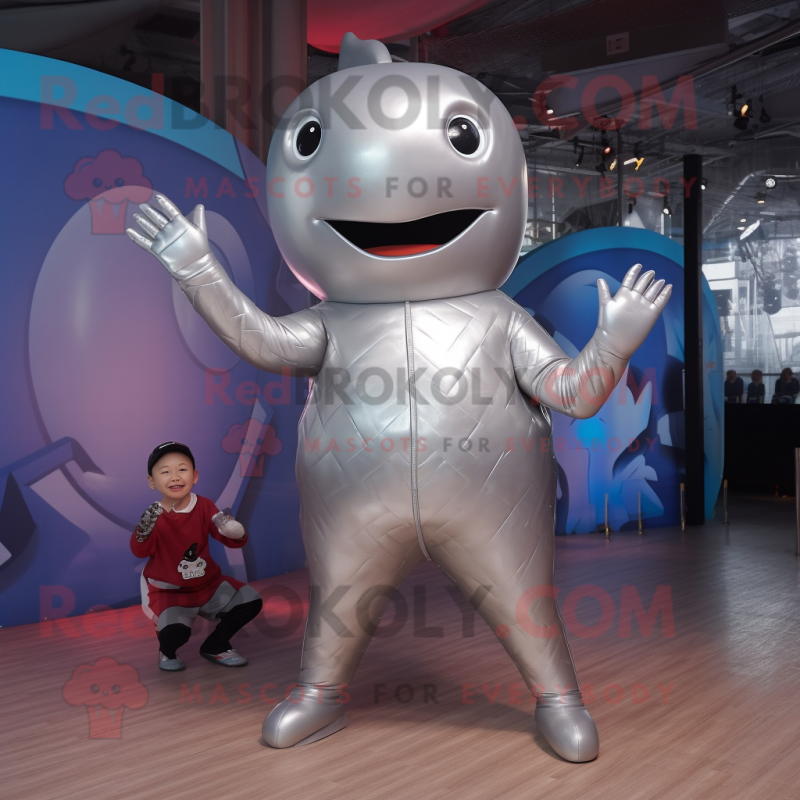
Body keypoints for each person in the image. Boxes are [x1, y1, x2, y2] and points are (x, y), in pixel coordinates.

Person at [131, 441, 263, 671]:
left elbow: (231, 540)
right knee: (175, 634)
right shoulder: (153, 515)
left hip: (207, 584)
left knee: (250, 601)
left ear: (195, 476)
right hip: (170, 591)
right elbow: (139, 551)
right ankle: (167, 652)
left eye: (182, 469)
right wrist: (143, 531)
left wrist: (235, 532)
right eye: (165, 472)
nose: (175, 477)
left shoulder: (204, 505)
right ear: (152, 481)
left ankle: (216, 646)